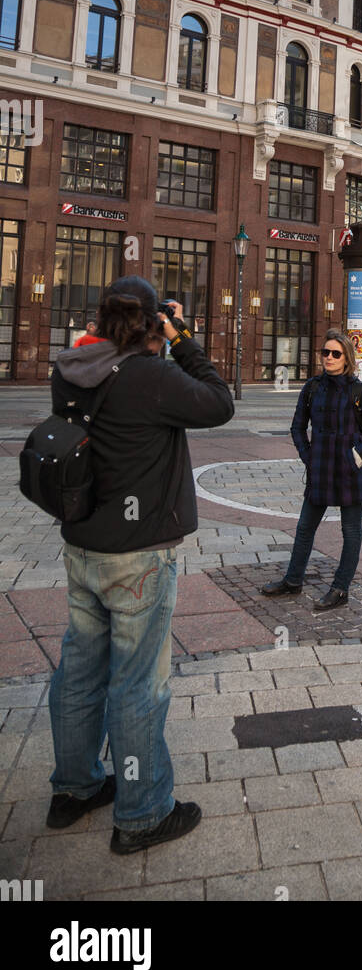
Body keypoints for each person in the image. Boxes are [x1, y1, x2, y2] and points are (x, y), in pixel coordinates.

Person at [47, 276, 234, 855]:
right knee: (137, 684)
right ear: (152, 322)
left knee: (79, 670)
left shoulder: (70, 368)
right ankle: (143, 812)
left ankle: (75, 790)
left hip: (83, 544)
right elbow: (219, 402)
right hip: (139, 556)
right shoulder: (153, 376)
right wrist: (182, 339)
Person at [262, 330, 362, 611]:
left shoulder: (358, 391)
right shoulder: (312, 387)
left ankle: (340, 589)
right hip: (320, 470)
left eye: (335, 354)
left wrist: (357, 456)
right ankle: (293, 580)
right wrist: (308, 456)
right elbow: (297, 427)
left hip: (351, 472)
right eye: (325, 352)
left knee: (350, 531)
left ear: (346, 359)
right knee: (305, 527)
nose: (329, 357)